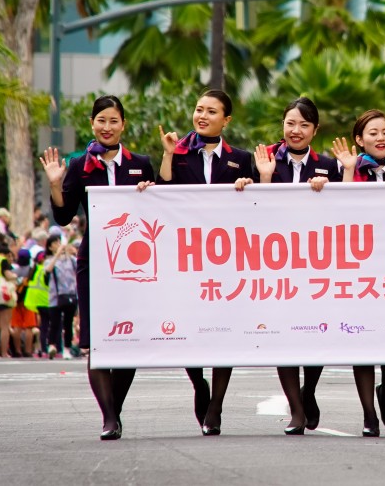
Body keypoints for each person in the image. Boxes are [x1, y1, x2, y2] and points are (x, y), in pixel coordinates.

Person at [41, 94, 156, 440]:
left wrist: (148, 191)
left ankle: (114, 409)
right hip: (94, 261)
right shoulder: (78, 165)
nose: (107, 127)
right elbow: (63, 217)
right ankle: (108, 418)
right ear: (92, 123)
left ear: (124, 124)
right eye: (101, 120)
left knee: (130, 339)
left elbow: (158, 210)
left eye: (114, 120)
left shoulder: (140, 163)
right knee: (96, 341)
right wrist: (55, 183)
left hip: (135, 264)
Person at [155, 89, 255, 437]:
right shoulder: (178, 152)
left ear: (226, 120)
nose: (203, 116)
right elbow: (164, 189)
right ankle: (199, 383)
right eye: (199, 109)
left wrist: (249, 183)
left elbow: (256, 202)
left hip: (227, 258)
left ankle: (216, 405)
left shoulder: (240, 157)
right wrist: (168, 155)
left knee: (224, 332)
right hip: (186, 257)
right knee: (187, 327)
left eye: (211, 111)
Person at [234, 97, 336, 435]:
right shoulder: (261, 162)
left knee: (317, 333)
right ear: (282, 124)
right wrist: (255, 183)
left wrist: (330, 190)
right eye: (291, 123)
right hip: (274, 264)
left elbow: (346, 213)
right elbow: (252, 212)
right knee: (283, 335)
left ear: (315, 130)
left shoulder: (328, 166)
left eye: (304, 125)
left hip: (317, 265)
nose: (296, 130)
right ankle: (296, 409)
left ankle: (309, 391)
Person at [331, 109, 385, 438]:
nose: (380, 137)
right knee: (363, 341)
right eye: (372, 133)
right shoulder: (347, 171)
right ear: (359, 140)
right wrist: (349, 172)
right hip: (360, 270)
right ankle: (369, 413)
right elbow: (340, 213)